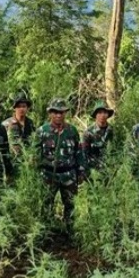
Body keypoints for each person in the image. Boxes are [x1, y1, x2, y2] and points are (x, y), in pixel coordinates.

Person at [34, 98, 86, 229]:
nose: (58, 115)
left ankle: (70, 231)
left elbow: (78, 152)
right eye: (55, 112)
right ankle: (46, 231)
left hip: (68, 174)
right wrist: (35, 172)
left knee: (70, 204)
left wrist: (80, 171)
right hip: (48, 174)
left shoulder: (72, 131)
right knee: (46, 204)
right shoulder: (42, 131)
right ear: (50, 113)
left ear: (65, 113)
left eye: (61, 112)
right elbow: (35, 154)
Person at [81, 100, 114, 173]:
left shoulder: (112, 130)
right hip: (93, 170)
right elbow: (84, 155)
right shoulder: (88, 133)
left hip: (109, 168)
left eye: (105, 112)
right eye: (99, 113)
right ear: (95, 115)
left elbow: (114, 150)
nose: (102, 115)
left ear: (108, 115)